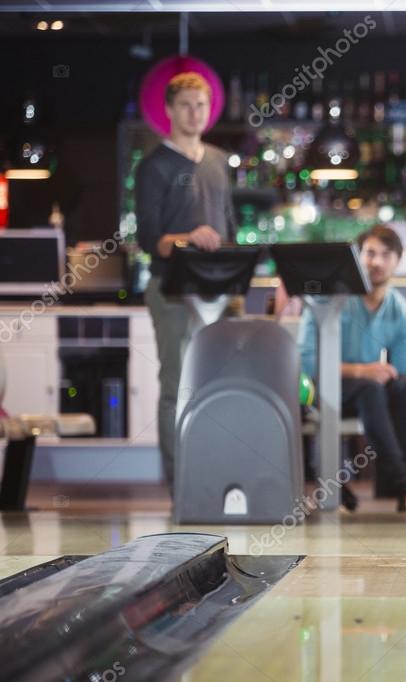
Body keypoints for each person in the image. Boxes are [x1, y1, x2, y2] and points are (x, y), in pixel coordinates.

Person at [298, 225, 406, 512]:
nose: (376, 262)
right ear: (356, 256)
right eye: (369, 253)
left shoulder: (399, 310)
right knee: (370, 387)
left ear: (397, 261)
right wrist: (362, 371)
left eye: (385, 254)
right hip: (320, 389)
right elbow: (306, 362)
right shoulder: (328, 297)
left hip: (367, 395)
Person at [136, 72, 236, 493]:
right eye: (186, 105)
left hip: (218, 290)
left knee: (221, 385)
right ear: (170, 111)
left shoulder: (216, 160)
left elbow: (228, 225)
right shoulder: (154, 166)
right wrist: (187, 238)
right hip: (172, 290)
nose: (195, 113)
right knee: (175, 384)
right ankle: (180, 483)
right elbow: (148, 241)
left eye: (201, 105)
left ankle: (215, 475)